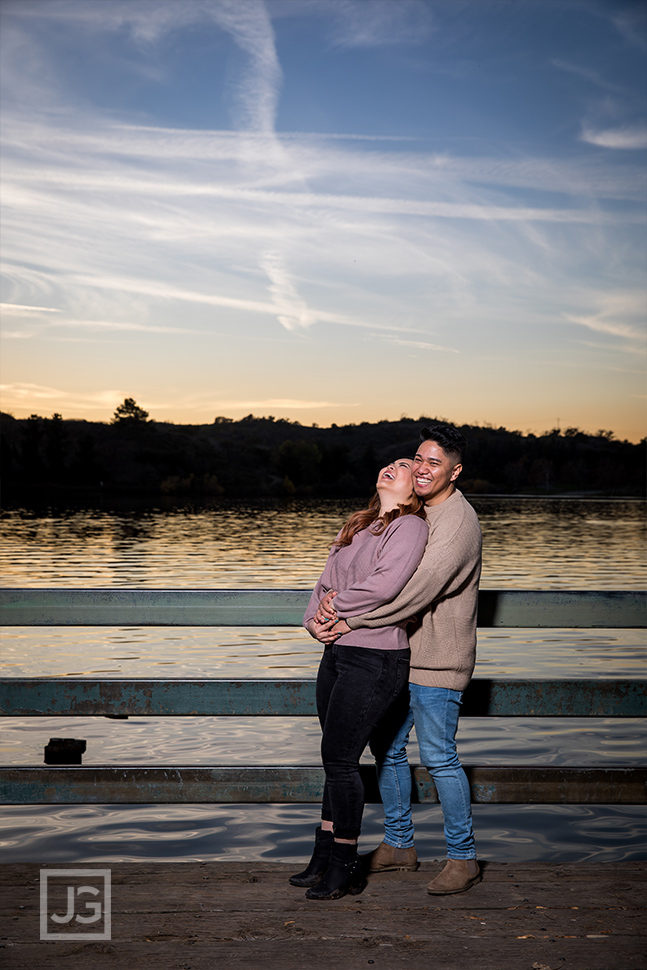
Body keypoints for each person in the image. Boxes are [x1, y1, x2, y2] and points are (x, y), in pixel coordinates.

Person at [316, 424, 483, 896]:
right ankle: (399, 845)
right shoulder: (418, 515)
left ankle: (463, 858)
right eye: (419, 459)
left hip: (438, 661)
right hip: (399, 654)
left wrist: (349, 621)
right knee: (387, 751)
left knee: (438, 757)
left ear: (455, 471)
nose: (424, 468)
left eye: (435, 462)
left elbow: (413, 593)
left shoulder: (456, 522)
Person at [290, 458, 429, 901]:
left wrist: (337, 608)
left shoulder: (409, 528)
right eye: (390, 462)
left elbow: (386, 585)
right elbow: (324, 582)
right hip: (337, 652)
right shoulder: (359, 524)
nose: (392, 466)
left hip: (376, 656)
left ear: (415, 486)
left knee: (342, 759)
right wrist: (315, 621)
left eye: (404, 465)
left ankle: (345, 866)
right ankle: (325, 853)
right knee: (333, 756)